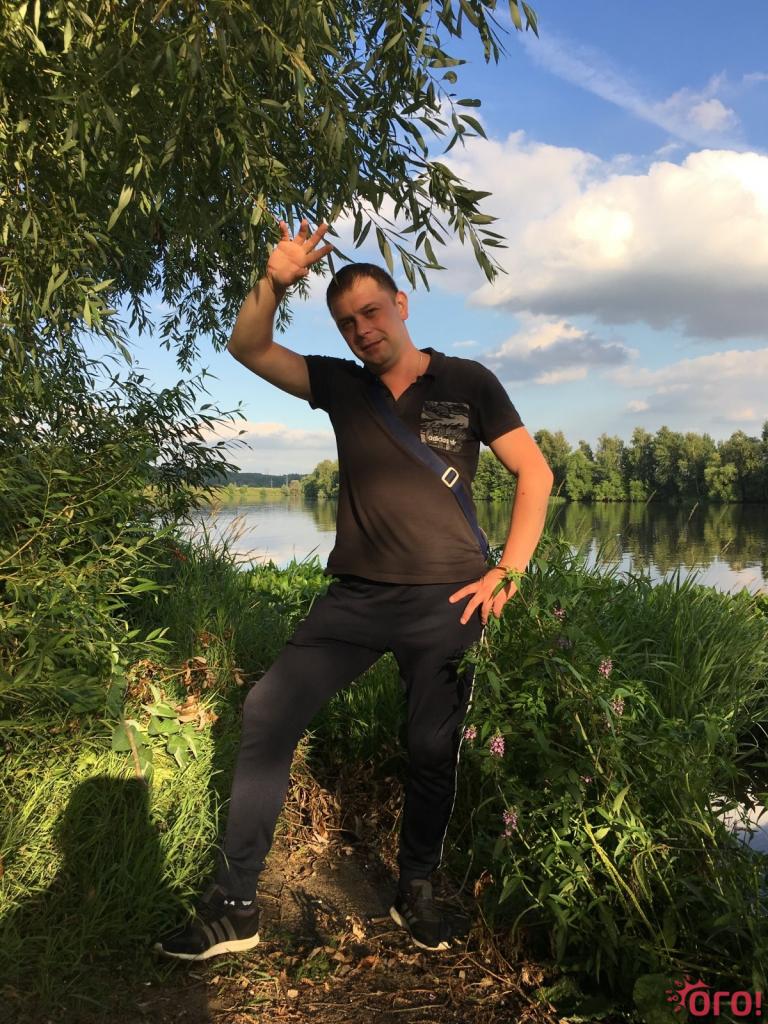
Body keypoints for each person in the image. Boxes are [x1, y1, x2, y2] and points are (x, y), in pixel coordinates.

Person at [155, 219, 554, 961]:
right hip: (356, 600)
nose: (362, 330)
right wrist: (273, 282)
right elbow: (249, 347)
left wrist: (510, 571)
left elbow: (535, 473)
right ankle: (234, 906)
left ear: (401, 305)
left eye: (371, 312)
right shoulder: (341, 385)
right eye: (347, 322)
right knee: (268, 708)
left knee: (431, 747)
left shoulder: (468, 382)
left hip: (449, 600)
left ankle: (416, 889)